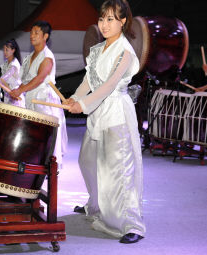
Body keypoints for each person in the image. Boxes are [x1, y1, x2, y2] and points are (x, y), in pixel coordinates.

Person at [64, 0, 145, 244]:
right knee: (87, 160)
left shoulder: (126, 52)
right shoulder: (98, 50)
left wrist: (84, 105)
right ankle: (96, 205)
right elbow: (90, 80)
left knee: (119, 169)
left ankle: (132, 224)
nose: (104, 24)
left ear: (123, 22)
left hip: (116, 113)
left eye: (111, 19)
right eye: (102, 18)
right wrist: (74, 98)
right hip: (98, 112)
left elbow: (110, 86)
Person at [9, 20, 68, 168]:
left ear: (45, 36)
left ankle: (49, 168)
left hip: (44, 100)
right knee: (33, 134)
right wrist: (17, 90)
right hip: (32, 98)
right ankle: (35, 166)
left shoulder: (47, 57)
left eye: (36, 33)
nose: (32, 35)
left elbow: (39, 79)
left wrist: (21, 90)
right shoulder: (30, 57)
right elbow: (27, 79)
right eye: (31, 32)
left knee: (45, 134)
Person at [0, 38, 25, 107]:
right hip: (8, 98)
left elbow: (4, 78)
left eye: (7, 50)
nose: (4, 52)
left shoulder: (14, 65)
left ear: (13, 50)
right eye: (4, 50)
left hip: (16, 99)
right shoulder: (6, 64)